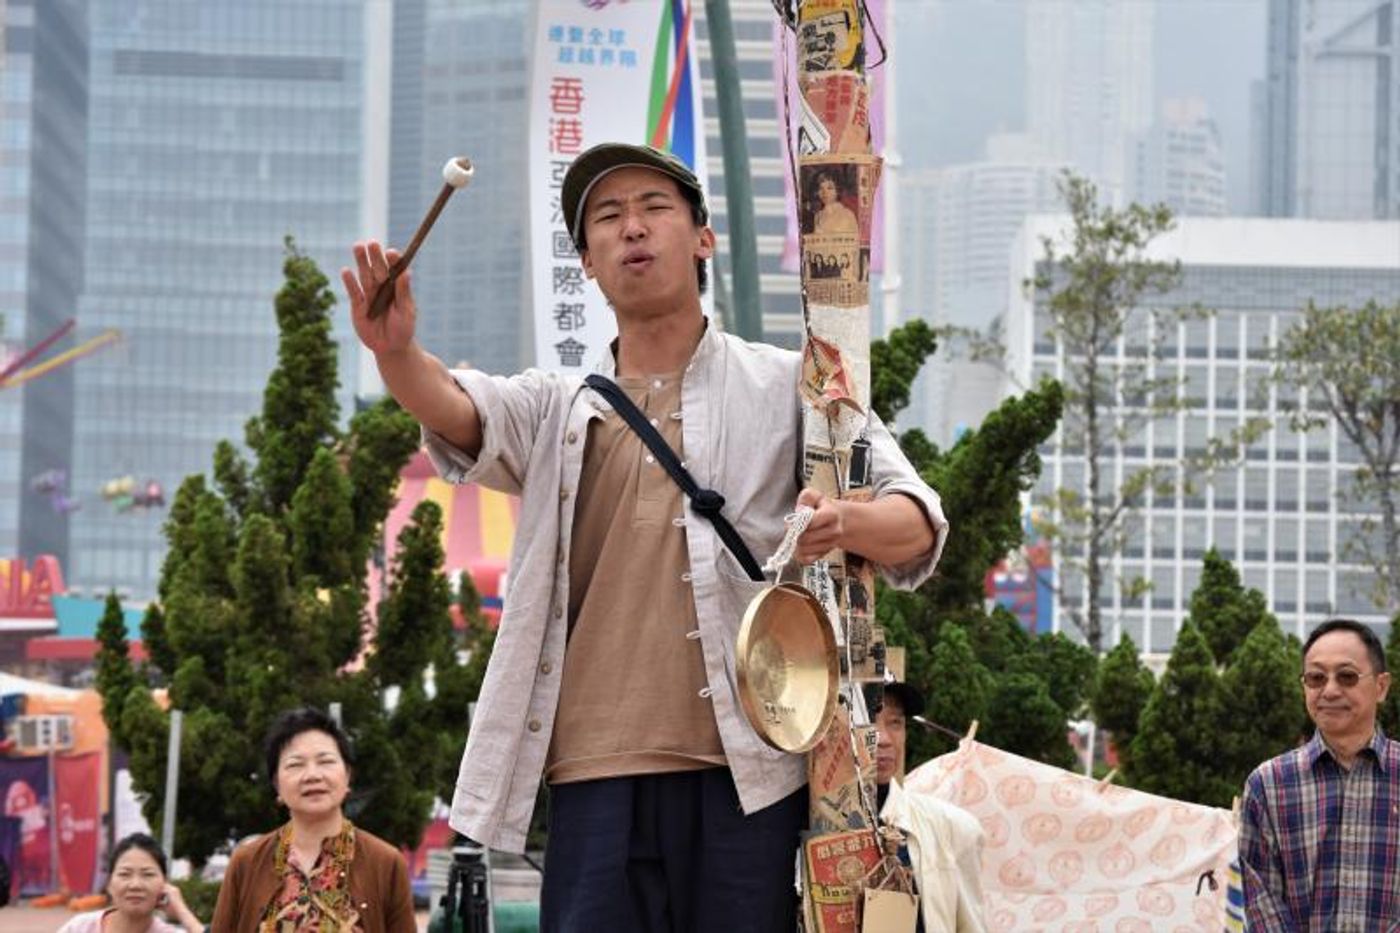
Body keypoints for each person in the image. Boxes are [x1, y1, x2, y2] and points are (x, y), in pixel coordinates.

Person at [342, 141, 948, 932]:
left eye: (654, 208)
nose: (633, 228)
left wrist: (845, 521)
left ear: (703, 238)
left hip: (749, 771)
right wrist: (393, 351)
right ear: (587, 264)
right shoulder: (556, 405)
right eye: (607, 217)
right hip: (592, 773)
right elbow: (460, 408)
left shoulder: (788, 385)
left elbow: (918, 518)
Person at [1239, 617, 1400, 929]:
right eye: (1315, 678)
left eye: (1347, 677)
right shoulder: (1269, 785)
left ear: (1381, 687)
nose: (1330, 690)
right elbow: (1258, 898)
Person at [210, 708, 415, 933]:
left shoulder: (385, 863)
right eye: (295, 764)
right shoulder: (246, 863)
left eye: (325, 761)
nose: (312, 775)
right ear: (277, 785)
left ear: (347, 776)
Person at [864, 681, 985, 932]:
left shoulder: (953, 829)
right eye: (868, 721)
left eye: (895, 722)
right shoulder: (800, 827)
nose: (884, 739)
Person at [58, 833, 203, 933]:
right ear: (109, 884)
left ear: (165, 884)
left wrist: (183, 914)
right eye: (125, 874)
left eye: (148, 874)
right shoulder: (80, 928)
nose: (135, 885)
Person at [811, 170, 859, 236]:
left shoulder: (847, 214)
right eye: (820, 188)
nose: (825, 192)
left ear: (837, 190)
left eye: (829, 188)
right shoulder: (817, 216)